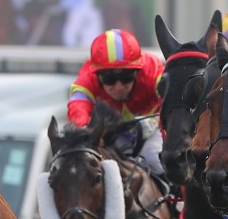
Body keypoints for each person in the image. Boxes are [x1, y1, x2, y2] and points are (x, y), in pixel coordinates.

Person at [67, 29, 167, 177]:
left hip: (153, 131)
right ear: (97, 76)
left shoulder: (153, 69)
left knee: (155, 159)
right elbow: (78, 111)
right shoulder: (85, 80)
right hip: (111, 135)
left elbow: (171, 100)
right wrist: (87, 134)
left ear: (137, 71)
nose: (119, 86)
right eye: (109, 79)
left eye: (126, 77)